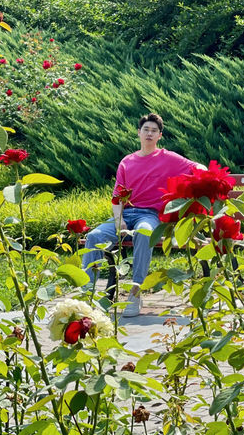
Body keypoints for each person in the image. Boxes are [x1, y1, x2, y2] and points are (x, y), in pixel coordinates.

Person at [82, 113, 201, 317]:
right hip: (126, 214)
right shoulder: (127, 162)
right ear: (139, 133)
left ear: (159, 136)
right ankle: (85, 296)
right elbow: (117, 197)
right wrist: (118, 220)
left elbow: (197, 167)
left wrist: (203, 177)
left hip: (150, 215)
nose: (149, 133)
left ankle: (135, 292)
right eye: (146, 129)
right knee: (94, 236)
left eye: (154, 130)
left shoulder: (168, 158)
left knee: (144, 232)